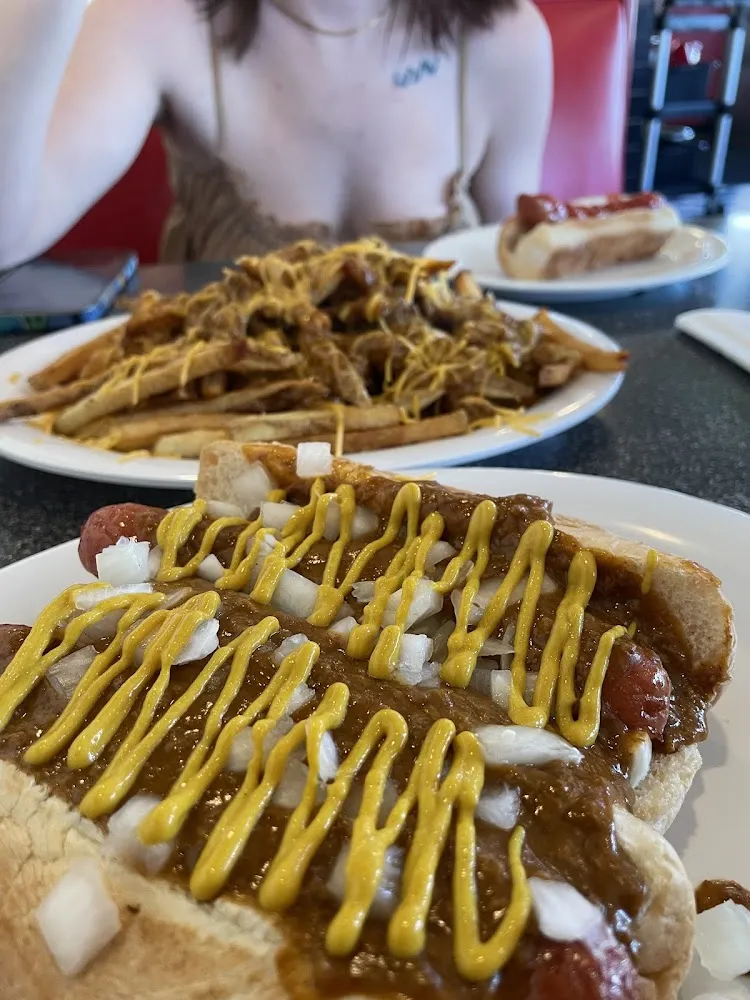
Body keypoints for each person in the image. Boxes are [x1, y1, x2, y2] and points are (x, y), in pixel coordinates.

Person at [0, 0, 553, 267]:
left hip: (471, 446)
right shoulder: (151, 18)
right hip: (217, 452)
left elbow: (524, 266)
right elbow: (8, 235)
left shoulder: (505, 36)